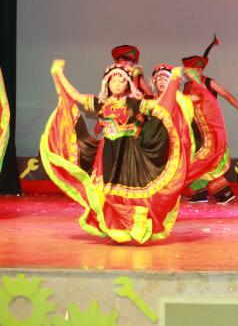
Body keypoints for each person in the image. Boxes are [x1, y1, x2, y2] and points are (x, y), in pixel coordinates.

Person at [39, 60, 193, 244]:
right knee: (107, 193)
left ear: (127, 83)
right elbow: (76, 96)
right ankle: (115, 230)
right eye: (113, 80)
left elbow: (158, 104)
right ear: (107, 83)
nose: (118, 83)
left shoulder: (133, 103)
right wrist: (59, 74)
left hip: (129, 153)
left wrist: (173, 81)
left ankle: (134, 228)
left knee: (128, 192)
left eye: (121, 80)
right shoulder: (101, 103)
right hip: (107, 153)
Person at [180, 35, 238, 203]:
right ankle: (202, 193)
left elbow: (226, 94)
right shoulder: (187, 87)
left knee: (210, 160)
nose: (197, 72)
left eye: (199, 69)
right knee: (197, 160)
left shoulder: (208, 83)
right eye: (194, 70)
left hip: (211, 130)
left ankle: (223, 192)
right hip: (195, 130)